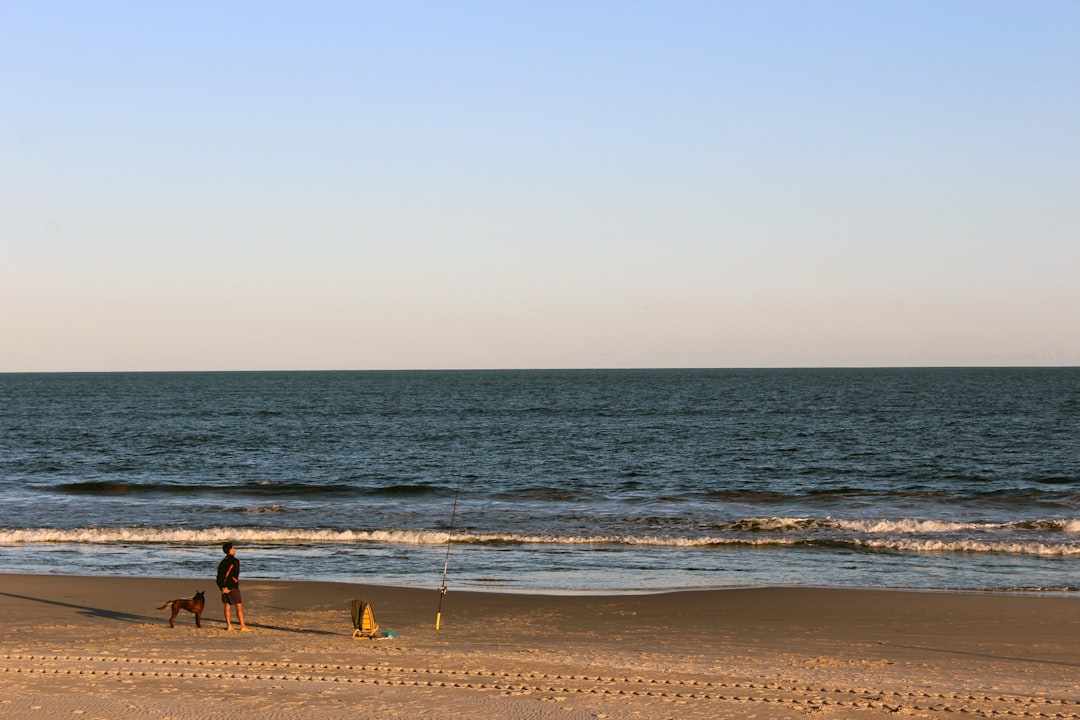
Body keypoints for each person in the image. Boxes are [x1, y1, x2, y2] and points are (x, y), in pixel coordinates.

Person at [216, 542, 248, 631]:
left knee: (227, 605)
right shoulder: (235, 561)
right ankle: (242, 626)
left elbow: (219, 576)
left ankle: (229, 626)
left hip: (223, 587)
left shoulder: (222, 562)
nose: (235, 549)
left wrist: (222, 587)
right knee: (239, 606)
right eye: (233, 548)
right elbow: (234, 575)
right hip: (232, 587)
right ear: (229, 550)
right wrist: (229, 588)